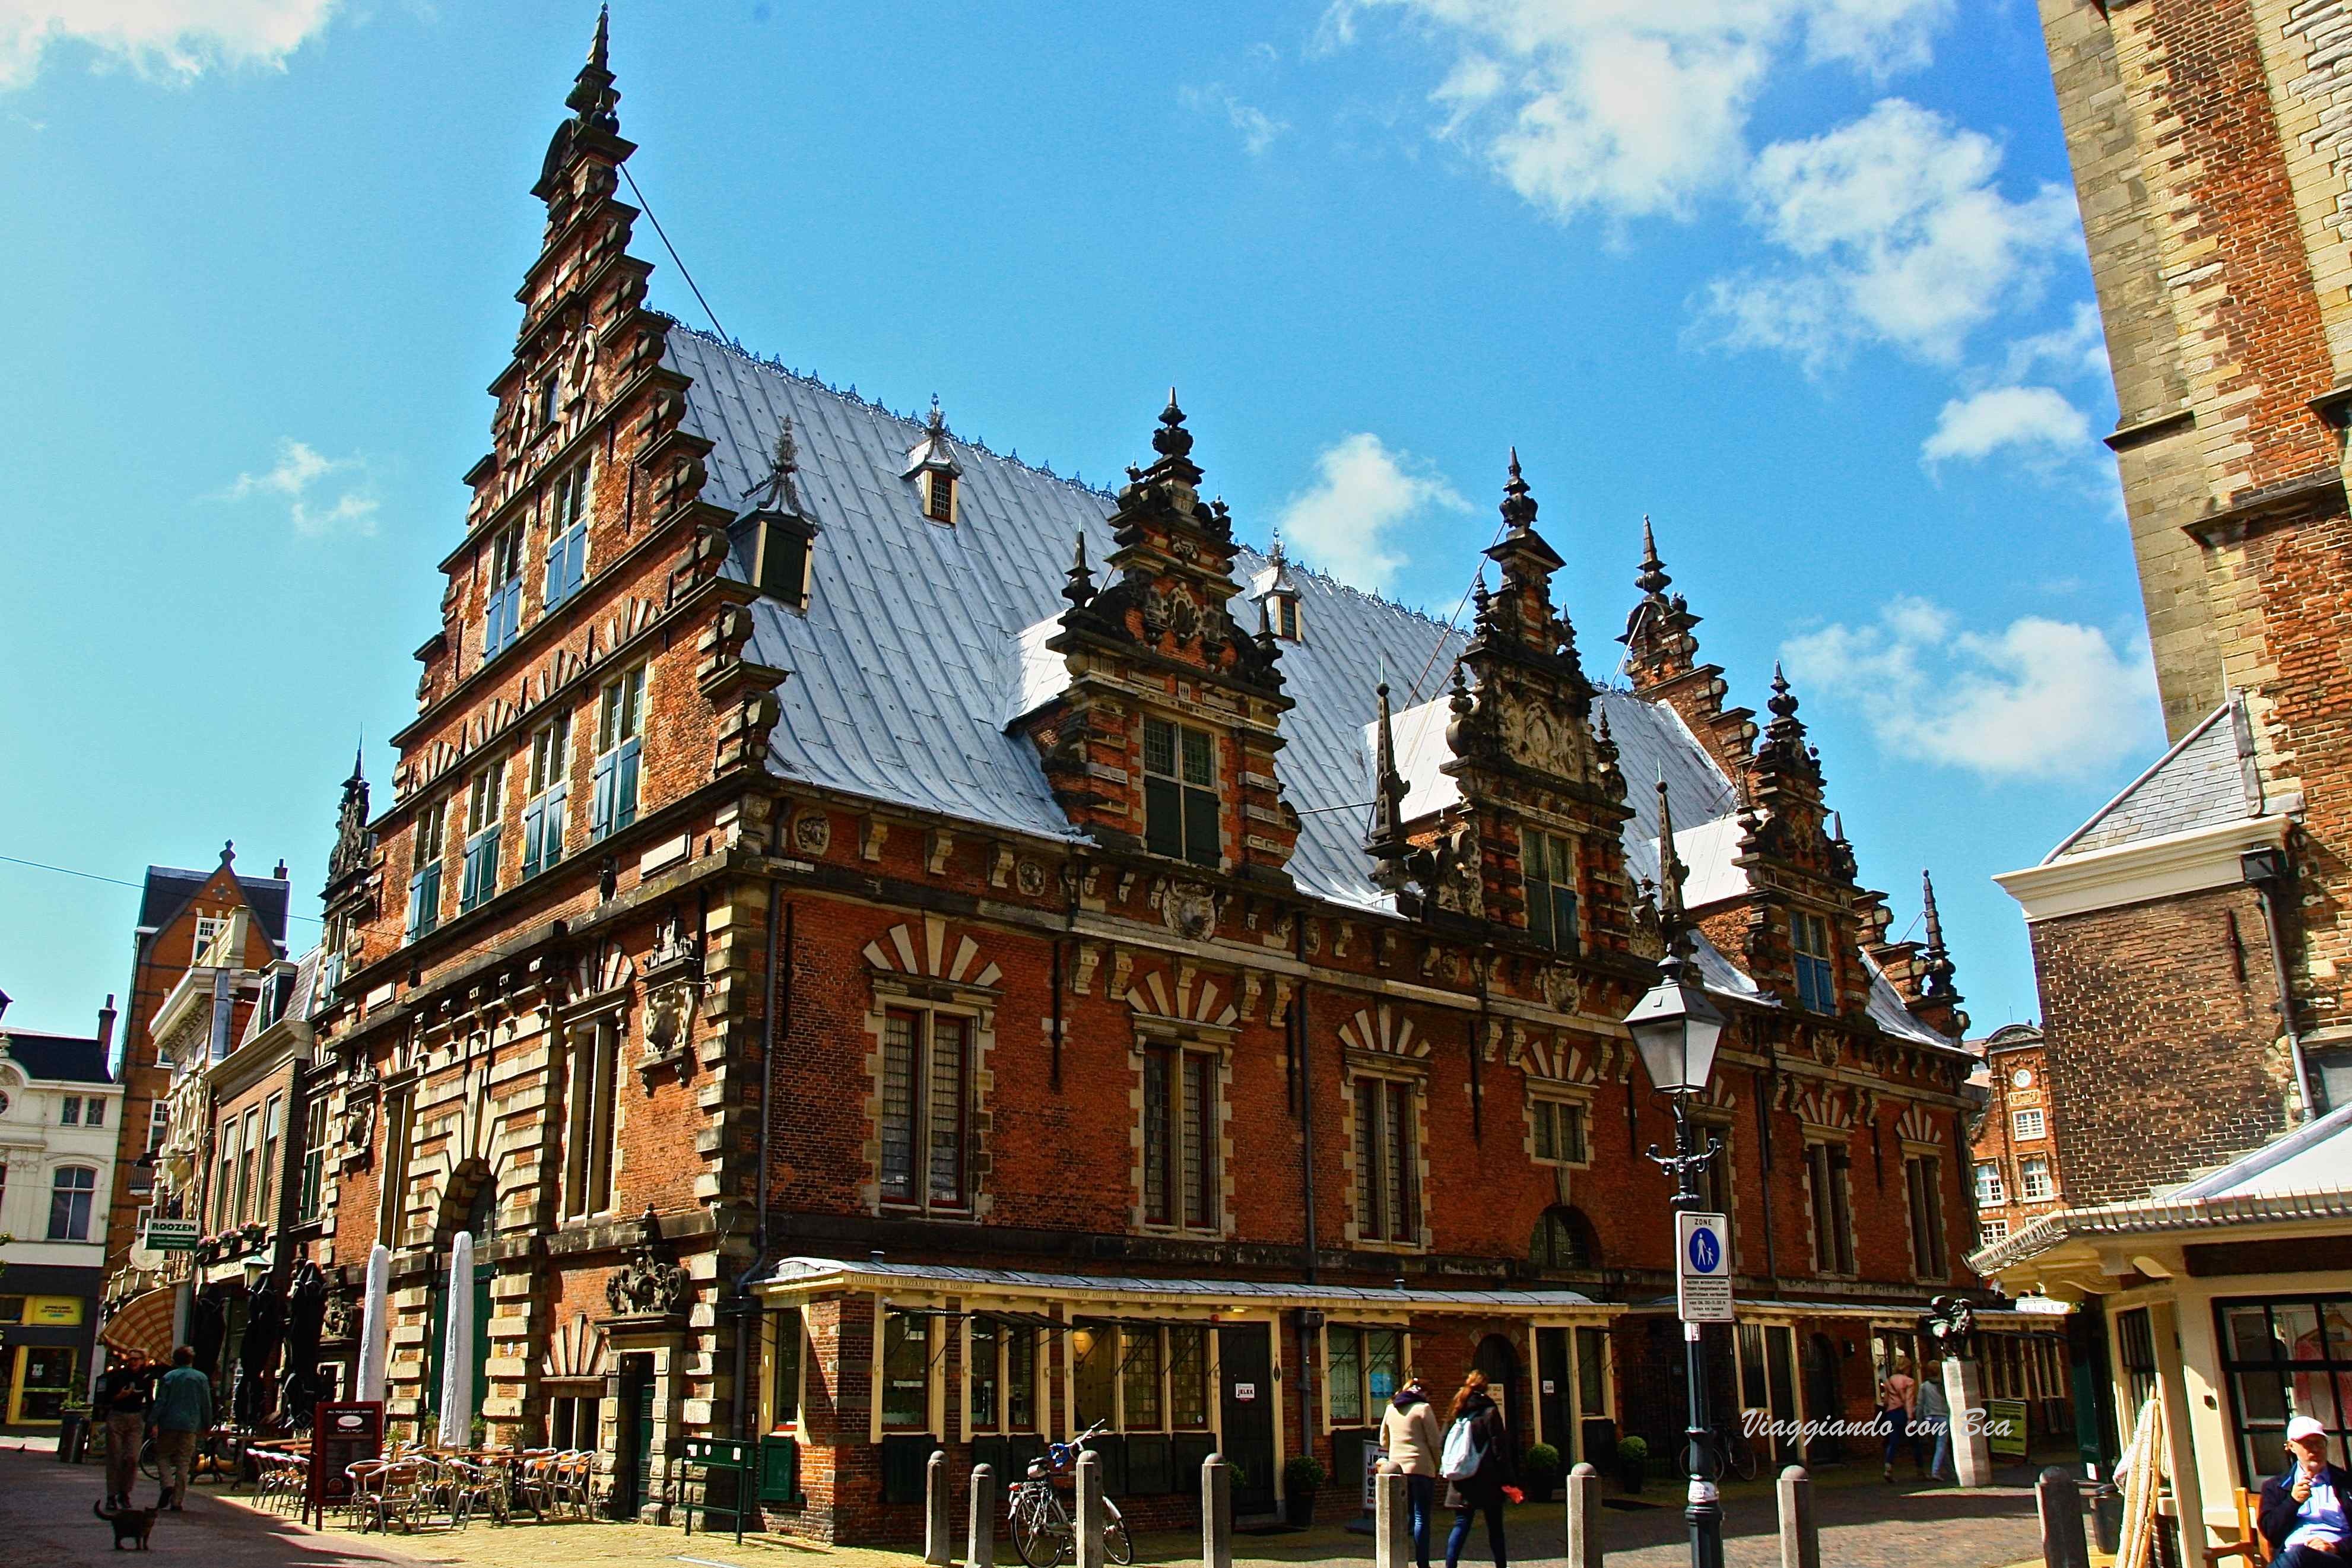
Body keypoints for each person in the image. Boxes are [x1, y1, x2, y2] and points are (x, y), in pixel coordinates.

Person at [1440, 1370, 1516, 1568]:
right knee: (1495, 1528)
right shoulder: (1490, 1412)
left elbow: (1443, 1442)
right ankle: (1501, 1565)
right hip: (1488, 1480)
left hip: (1461, 1478)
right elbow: (1500, 1449)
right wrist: (1509, 1480)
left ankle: (1450, 1566)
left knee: (1461, 1524)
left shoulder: (1457, 1409)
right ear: (1486, 1388)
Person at [2260, 1415, 2352, 1566]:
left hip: (2337, 1558)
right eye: (2308, 1444)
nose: (2315, 1450)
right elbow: (2272, 1534)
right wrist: (2292, 1502)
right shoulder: (2276, 1486)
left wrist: (2336, 1547)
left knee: (2299, 1555)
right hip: (2292, 1557)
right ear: (2291, 1447)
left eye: (2320, 1443)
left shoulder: (2346, 1482)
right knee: (2298, 1555)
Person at [1380, 1375, 1445, 1568]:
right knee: (1421, 1517)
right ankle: (1422, 1563)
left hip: (1397, 1470)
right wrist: (1438, 1465)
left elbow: (1383, 1441)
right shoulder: (1423, 1409)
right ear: (1424, 1393)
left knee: (1400, 1517)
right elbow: (1434, 1442)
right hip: (1421, 1469)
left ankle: (1398, 1558)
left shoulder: (1391, 1409)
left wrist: (1396, 1450)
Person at [93, 1347, 158, 1512]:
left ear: (143, 1361)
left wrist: (153, 1422)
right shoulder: (118, 1376)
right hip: (117, 1416)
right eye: (130, 1359)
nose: (133, 1362)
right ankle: (112, 1495)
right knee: (115, 1456)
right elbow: (105, 1399)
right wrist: (119, 1396)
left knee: (132, 1458)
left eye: (136, 1359)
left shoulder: (146, 1378)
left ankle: (125, 1492)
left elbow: (150, 1401)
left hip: (136, 1419)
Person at [151, 1345, 213, 1511]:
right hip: (190, 1425)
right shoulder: (201, 1378)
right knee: (184, 1461)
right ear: (191, 1360)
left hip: (169, 1423)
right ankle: (177, 1500)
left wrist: (153, 1421)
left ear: (175, 1360)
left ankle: (167, 1484)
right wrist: (207, 1424)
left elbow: (160, 1402)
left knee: (162, 1456)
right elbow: (206, 1403)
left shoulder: (169, 1377)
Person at [1878, 1356, 1918, 1483]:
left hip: (1891, 1413)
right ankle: (1920, 1469)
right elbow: (1909, 1401)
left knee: (1893, 1442)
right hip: (1903, 1413)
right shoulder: (1909, 1382)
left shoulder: (1889, 1381)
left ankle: (1888, 1467)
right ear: (1907, 1368)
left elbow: (1886, 1401)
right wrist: (1910, 1418)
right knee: (1915, 1442)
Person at [1916, 1358, 1953, 1484]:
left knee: (1942, 1445)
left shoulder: (1924, 1386)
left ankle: (1952, 1472)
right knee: (1941, 1444)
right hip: (1943, 1417)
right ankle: (1935, 1471)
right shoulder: (1944, 1386)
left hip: (1930, 1419)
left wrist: (1919, 1423)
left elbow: (1920, 1405)